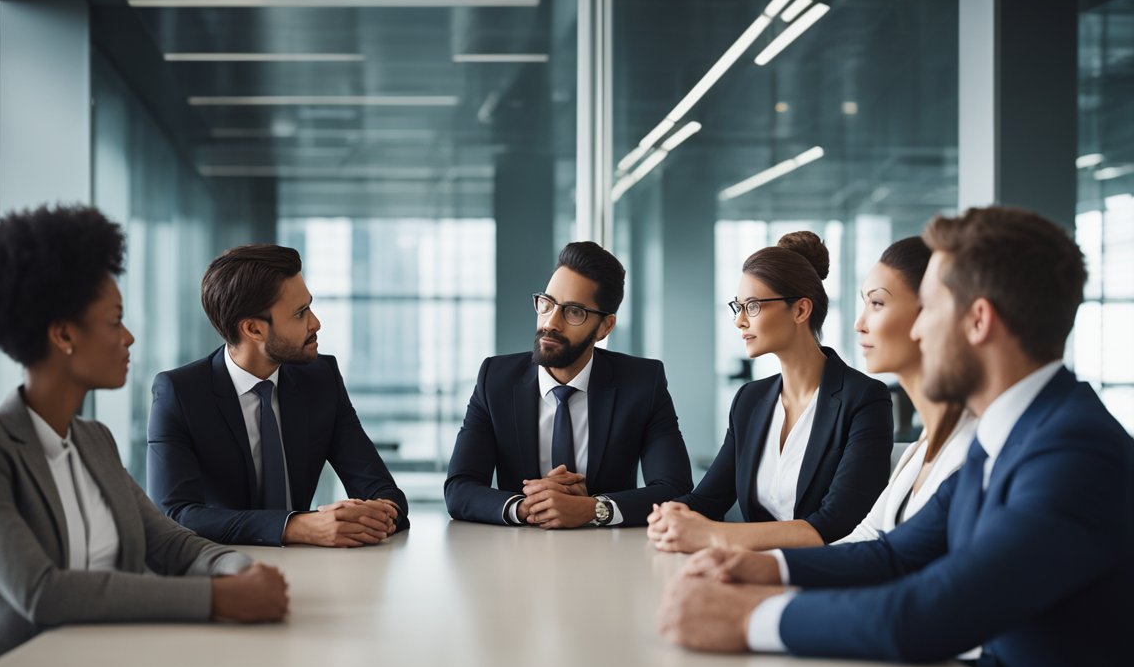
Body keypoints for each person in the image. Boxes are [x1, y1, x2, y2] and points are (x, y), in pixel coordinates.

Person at [659, 207, 1134, 667]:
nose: (915, 328)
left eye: (928, 307)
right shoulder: (1012, 431)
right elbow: (894, 555)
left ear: (977, 321)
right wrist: (760, 565)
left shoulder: (1074, 452)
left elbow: (936, 610)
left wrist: (752, 618)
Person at [0, 205, 288, 667]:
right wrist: (218, 599)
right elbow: (42, 592)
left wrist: (238, 570)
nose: (129, 337)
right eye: (114, 321)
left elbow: (169, 543)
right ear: (63, 335)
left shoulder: (93, 440)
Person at [147, 244, 408, 547]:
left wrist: (376, 513)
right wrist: (297, 527)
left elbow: (381, 489)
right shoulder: (179, 394)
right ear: (253, 330)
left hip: (307, 571)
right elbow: (175, 515)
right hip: (220, 572)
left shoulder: (321, 379)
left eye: (309, 306)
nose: (315, 323)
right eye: (300, 314)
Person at [648, 232, 892, 553]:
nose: (739, 321)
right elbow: (707, 500)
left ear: (800, 310)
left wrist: (715, 536)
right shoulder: (749, 400)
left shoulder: (864, 399)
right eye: (738, 306)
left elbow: (836, 524)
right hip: (748, 572)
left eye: (752, 306)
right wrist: (670, 514)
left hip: (825, 578)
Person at [445, 241, 692, 528]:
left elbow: (675, 490)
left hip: (612, 555)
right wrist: (527, 506)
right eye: (547, 304)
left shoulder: (642, 382)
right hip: (515, 554)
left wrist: (593, 509)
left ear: (605, 327)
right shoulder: (495, 379)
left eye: (574, 311)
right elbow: (459, 489)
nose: (551, 322)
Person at [836, 237, 975, 544]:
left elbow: (899, 565)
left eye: (877, 303)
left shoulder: (971, 447)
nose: (859, 324)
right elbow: (867, 537)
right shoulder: (923, 443)